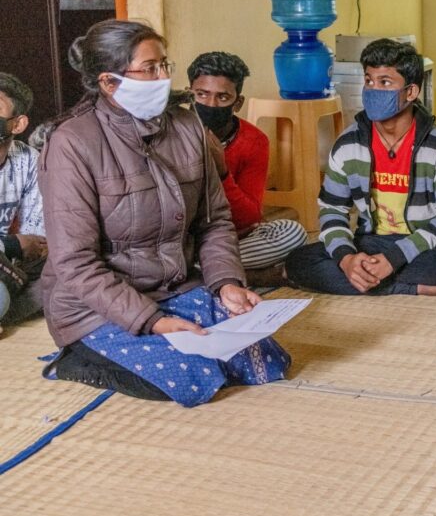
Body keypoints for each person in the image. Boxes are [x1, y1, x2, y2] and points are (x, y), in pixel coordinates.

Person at [38, 20, 289, 407]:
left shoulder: (188, 127)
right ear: (109, 82)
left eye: (165, 65)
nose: (163, 77)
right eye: (150, 68)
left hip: (176, 288)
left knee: (263, 361)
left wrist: (226, 284)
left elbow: (215, 222)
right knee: (195, 376)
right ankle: (77, 358)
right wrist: (151, 321)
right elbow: (76, 264)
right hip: (97, 307)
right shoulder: (72, 143)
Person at [285, 39, 436, 300]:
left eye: (385, 82)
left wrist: (396, 257)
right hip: (371, 241)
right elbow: (333, 209)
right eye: (368, 81)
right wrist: (347, 259)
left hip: (420, 245)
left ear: (410, 92)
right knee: (299, 260)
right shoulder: (348, 145)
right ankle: (412, 288)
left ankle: (373, 282)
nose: (373, 90)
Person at [187, 51, 306, 285]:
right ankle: (250, 277)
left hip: (229, 239)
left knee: (292, 232)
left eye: (222, 97)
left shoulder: (254, 140)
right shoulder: (171, 133)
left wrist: (221, 171)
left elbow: (250, 216)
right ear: (189, 94)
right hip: (180, 242)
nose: (210, 104)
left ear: (237, 102)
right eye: (201, 95)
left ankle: (199, 275)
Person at [0, 72, 47, 332]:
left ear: (17, 124)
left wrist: (20, 248)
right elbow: (22, 243)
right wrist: (13, 244)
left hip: (7, 265)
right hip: (7, 256)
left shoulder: (29, 160)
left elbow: (37, 240)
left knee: (64, 275)